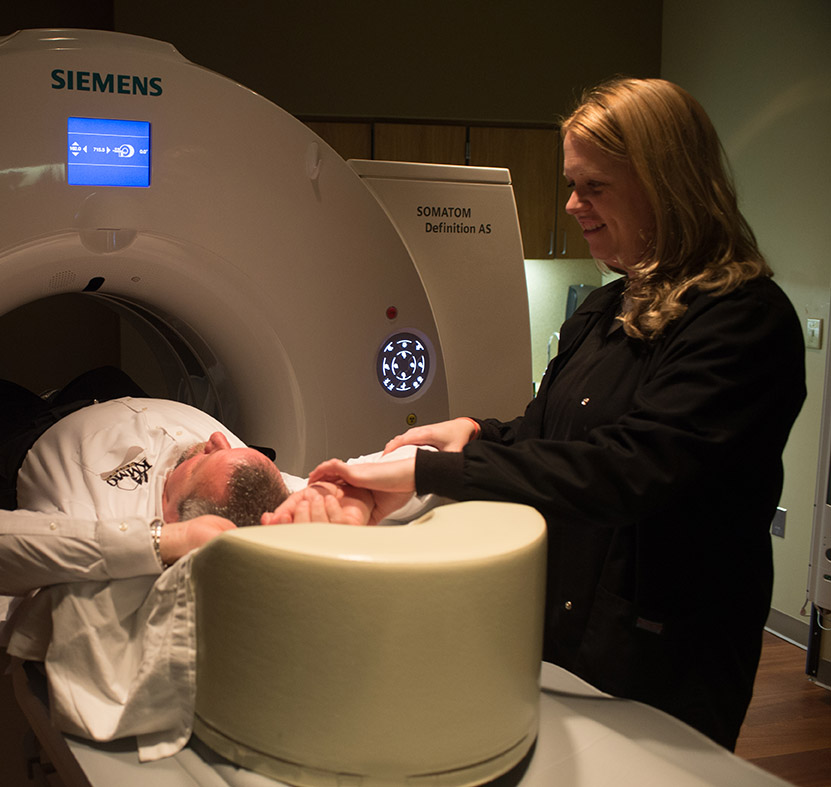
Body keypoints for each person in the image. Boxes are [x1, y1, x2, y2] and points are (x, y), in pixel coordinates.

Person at [280, 78, 807, 751]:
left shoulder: (743, 321)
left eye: (593, 186)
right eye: (570, 183)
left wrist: (434, 469)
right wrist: (475, 430)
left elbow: (629, 468)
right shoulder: (603, 307)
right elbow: (548, 432)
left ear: (664, 184)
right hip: (563, 633)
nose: (571, 204)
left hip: (663, 655)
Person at [0, 369, 311, 760]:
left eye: (207, 458)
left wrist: (165, 542)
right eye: (233, 448)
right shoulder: (278, 496)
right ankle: (58, 391)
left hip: (22, 441)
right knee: (102, 372)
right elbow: (374, 463)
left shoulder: (103, 525)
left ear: (179, 516)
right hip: (113, 396)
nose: (217, 439)